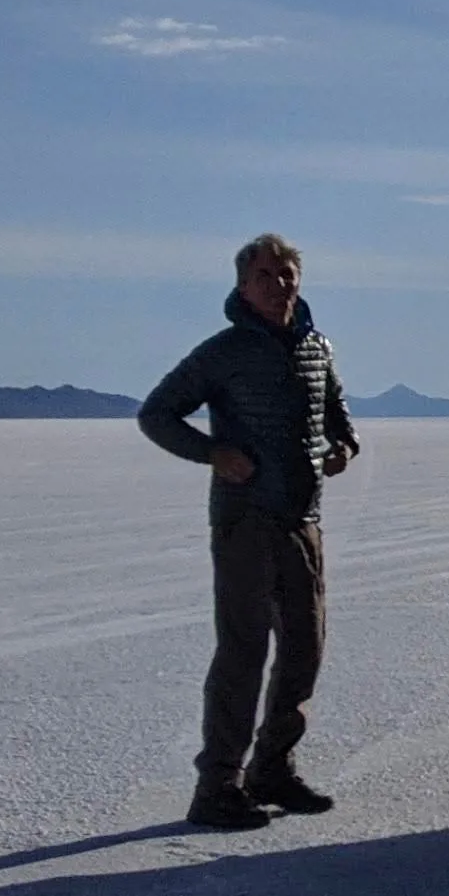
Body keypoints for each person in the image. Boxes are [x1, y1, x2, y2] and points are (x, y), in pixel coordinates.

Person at [140, 232, 360, 831]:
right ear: (242, 286)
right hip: (245, 521)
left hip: (301, 517)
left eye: (286, 272)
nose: (278, 283)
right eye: (264, 274)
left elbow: (337, 416)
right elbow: (156, 414)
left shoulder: (316, 347)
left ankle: (272, 769)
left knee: (304, 649)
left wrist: (342, 447)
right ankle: (217, 787)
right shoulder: (225, 351)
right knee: (243, 651)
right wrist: (214, 453)